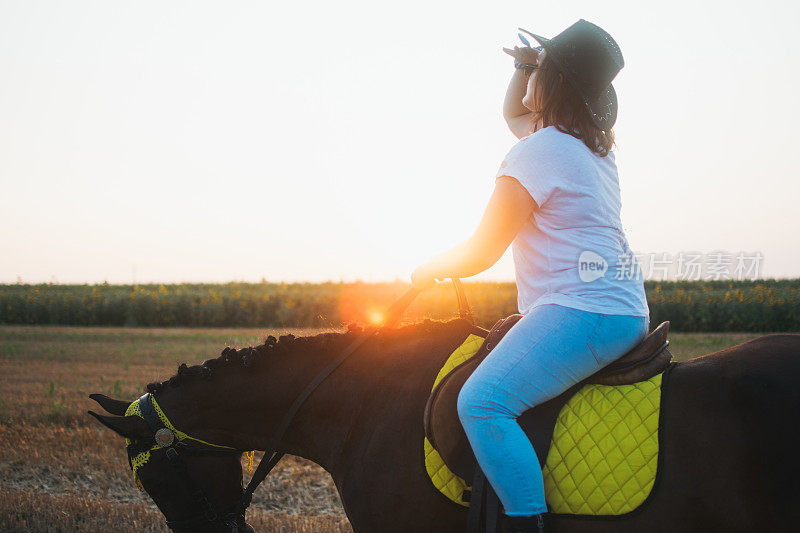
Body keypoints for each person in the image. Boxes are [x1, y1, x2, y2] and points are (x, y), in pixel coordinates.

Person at [410, 19, 650, 533]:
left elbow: (481, 252)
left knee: (482, 403)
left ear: (554, 82)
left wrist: (427, 268)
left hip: (583, 310)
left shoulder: (539, 150)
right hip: (619, 306)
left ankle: (525, 525)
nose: (531, 76)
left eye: (540, 68)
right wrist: (524, 66)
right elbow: (514, 113)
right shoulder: (587, 147)